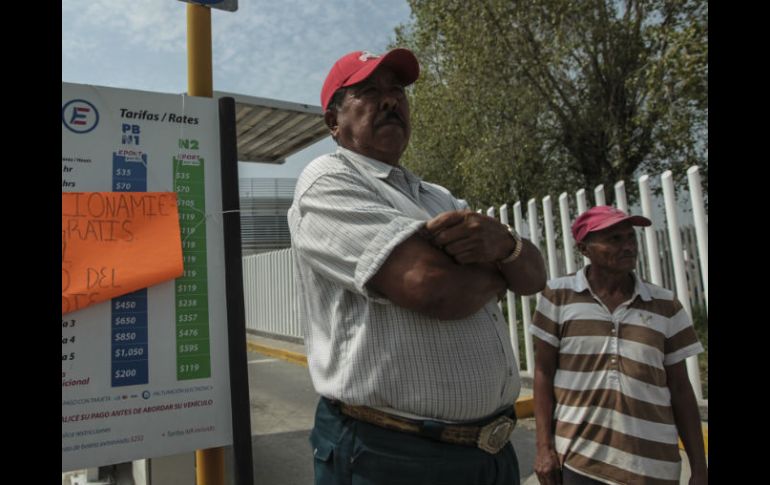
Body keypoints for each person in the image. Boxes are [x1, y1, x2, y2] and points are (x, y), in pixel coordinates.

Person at [288, 48, 547, 485]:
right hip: (391, 457)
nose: (390, 100)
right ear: (333, 122)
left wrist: (503, 243)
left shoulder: (438, 197)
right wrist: (498, 266)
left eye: (397, 91)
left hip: (491, 453)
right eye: (368, 91)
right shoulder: (327, 179)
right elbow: (433, 287)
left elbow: (534, 277)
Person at [530, 205, 708, 485]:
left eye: (631, 238)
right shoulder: (558, 297)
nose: (628, 246)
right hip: (580, 461)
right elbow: (543, 374)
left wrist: (700, 467)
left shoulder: (665, 305)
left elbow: (681, 389)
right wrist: (544, 448)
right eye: (614, 239)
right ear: (584, 248)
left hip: (653, 465)